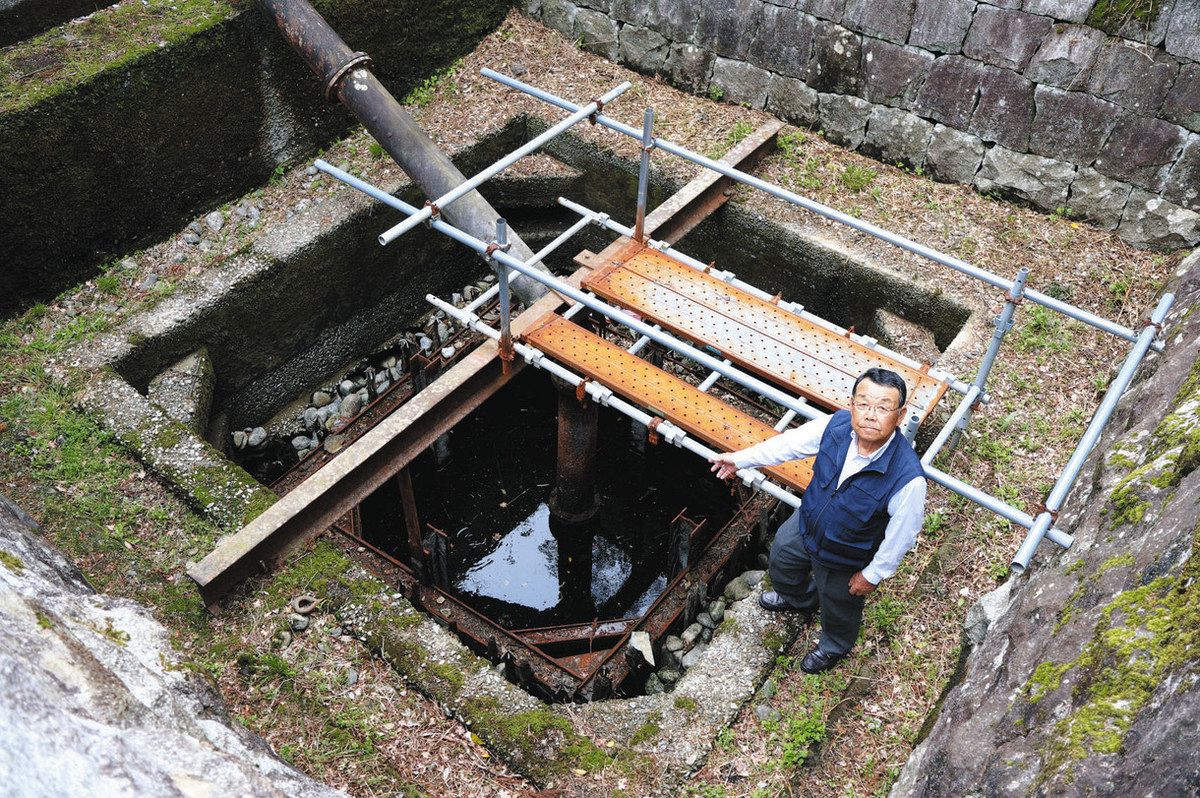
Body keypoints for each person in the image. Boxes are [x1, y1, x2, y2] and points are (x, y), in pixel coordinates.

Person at [709, 367, 926, 674]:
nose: (870, 415)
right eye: (863, 404)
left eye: (883, 407)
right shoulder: (836, 425)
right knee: (781, 561)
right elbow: (788, 444)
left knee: (840, 604)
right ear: (851, 404)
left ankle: (834, 645)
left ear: (900, 415)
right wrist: (740, 459)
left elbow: (902, 535)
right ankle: (801, 600)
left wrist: (873, 575)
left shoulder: (907, 478)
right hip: (807, 523)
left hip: (847, 554)